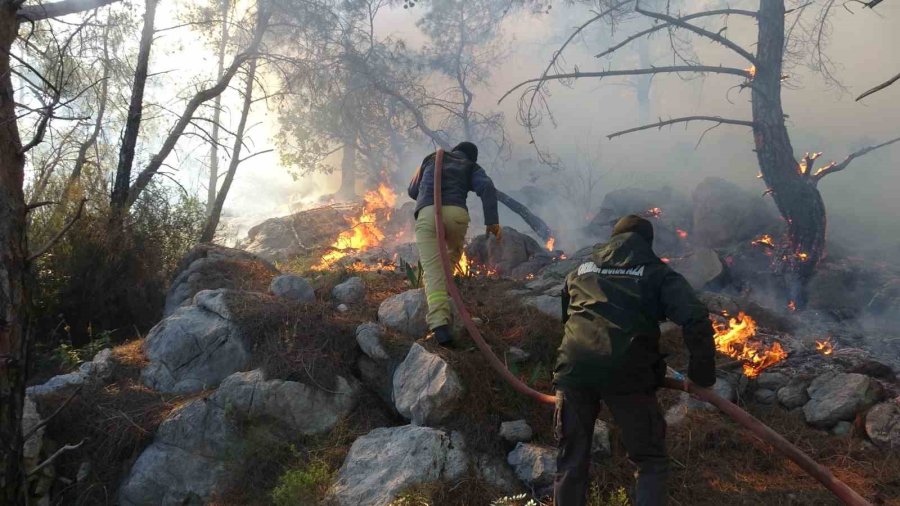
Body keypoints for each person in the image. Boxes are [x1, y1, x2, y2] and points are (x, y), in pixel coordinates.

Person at [553, 215, 716, 506]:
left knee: (571, 459)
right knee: (650, 460)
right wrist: (701, 377)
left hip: (574, 368)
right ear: (646, 244)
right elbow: (696, 319)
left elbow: (567, 314)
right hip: (627, 373)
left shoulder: (581, 269)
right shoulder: (657, 273)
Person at [407, 141, 502, 345]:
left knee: (433, 271)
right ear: (472, 157)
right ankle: (444, 298)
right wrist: (492, 222)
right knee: (451, 257)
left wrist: (428, 189)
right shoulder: (470, 166)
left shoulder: (431, 159)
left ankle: (439, 324)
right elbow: (486, 187)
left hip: (427, 213)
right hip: (456, 214)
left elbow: (412, 191)